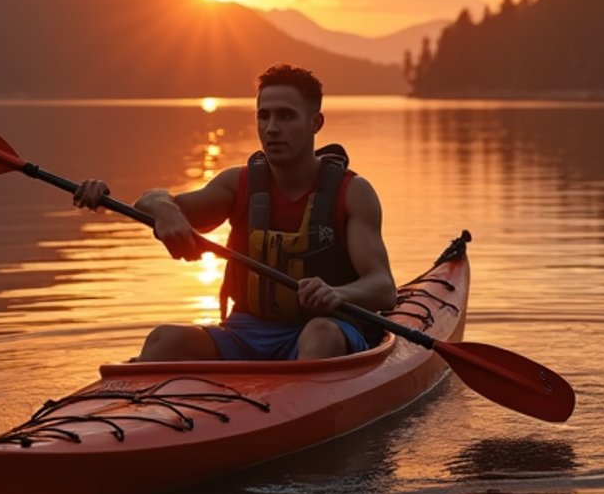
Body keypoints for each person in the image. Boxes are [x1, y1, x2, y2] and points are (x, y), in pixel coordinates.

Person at [72, 64, 397, 362]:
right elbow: (151, 199)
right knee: (163, 340)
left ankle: (294, 414)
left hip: (324, 332)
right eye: (263, 116)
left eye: (286, 116)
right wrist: (165, 211)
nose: (271, 128)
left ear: (316, 123)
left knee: (319, 335)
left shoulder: (352, 192)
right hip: (244, 335)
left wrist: (337, 293)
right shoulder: (237, 184)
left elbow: (383, 287)